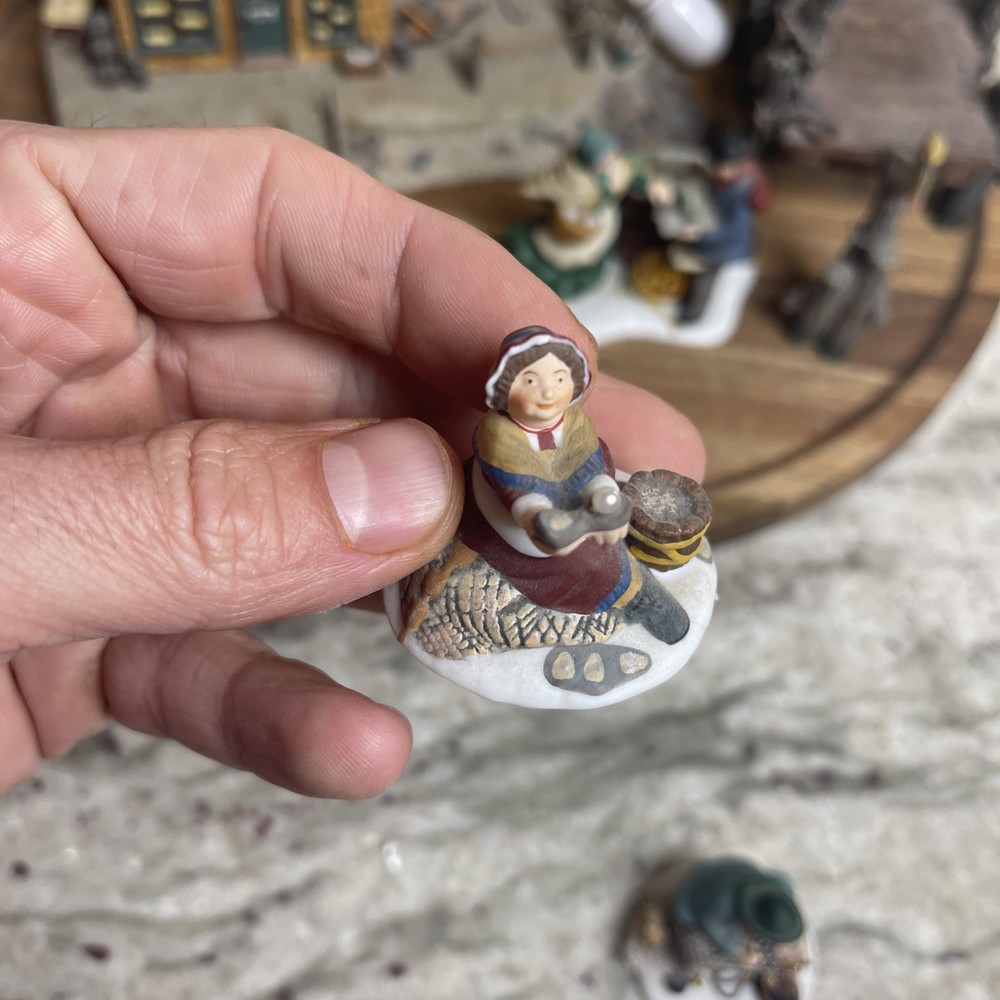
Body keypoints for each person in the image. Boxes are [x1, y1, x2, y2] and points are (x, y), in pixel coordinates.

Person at [0, 121, 704, 799]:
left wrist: (599, 498)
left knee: (607, 554)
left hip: (582, 520)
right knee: (575, 570)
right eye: (532, 381)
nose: (546, 393)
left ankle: (643, 603)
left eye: (556, 381)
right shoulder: (500, 438)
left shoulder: (573, 424)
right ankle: (618, 606)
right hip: (516, 535)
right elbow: (516, 490)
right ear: (506, 391)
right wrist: (547, 517)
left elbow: (590, 460)